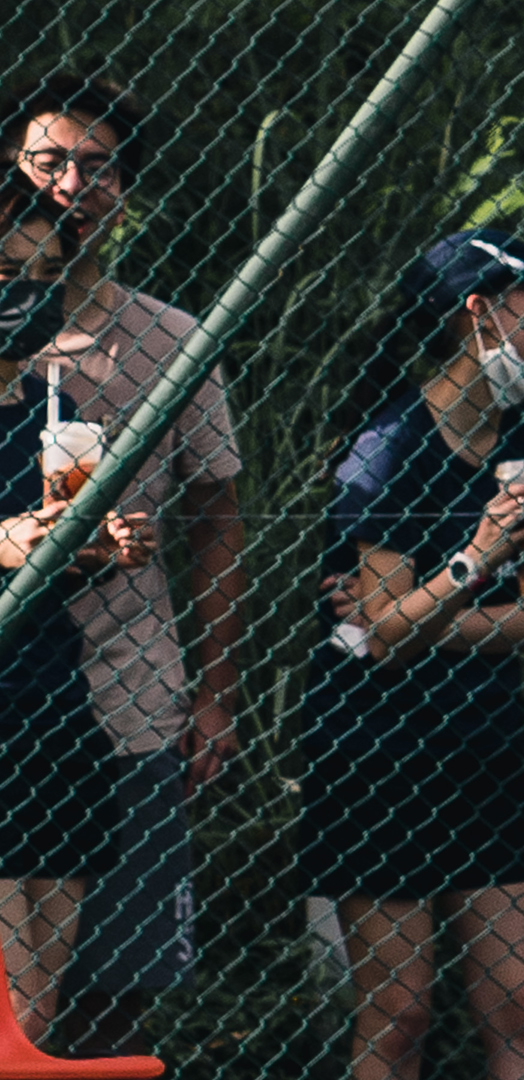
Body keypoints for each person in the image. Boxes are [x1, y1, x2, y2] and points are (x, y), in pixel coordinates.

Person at [301, 228, 524, 1080]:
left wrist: (421, 614)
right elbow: (386, 643)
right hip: (376, 754)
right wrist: (475, 560)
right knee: (399, 1018)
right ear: (481, 312)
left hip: (484, 743)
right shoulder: (389, 445)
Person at [2, 72, 247, 1053]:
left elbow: (218, 515)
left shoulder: (173, 339)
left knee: (114, 998)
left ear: (127, 190)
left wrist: (216, 691)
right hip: (12, 694)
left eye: (96, 168)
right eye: (47, 161)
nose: (71, 183)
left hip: (131, 699)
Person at [0, 176, 153, 1043]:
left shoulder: (56, 413)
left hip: (56, 712)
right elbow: (15, 542)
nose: (18, 296)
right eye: (1, 270)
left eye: (38, 276)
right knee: (13, 1002)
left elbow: (57, 547)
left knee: (45, 1012)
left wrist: (100, 545)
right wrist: (9, 540)